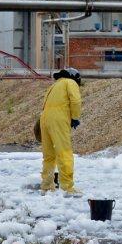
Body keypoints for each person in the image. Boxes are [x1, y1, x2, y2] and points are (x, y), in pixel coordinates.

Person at [39, 67, 82, 195]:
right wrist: (75, 117)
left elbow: (45, 105)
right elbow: (75, 101)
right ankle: (67, 188)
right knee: (64, 152)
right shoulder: (70, 82)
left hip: (44, 119)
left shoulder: (54, 85)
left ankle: (46, 186)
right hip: (59, 119)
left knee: (49, 155)